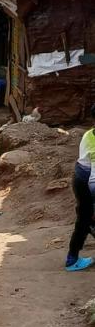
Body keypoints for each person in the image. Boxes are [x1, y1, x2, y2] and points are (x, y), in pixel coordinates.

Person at [66, 107, 95, 272]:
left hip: (80, 177)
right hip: (86, 182)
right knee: (84, 220)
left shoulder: (89, 134)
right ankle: (72, 260)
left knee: (86, 219)